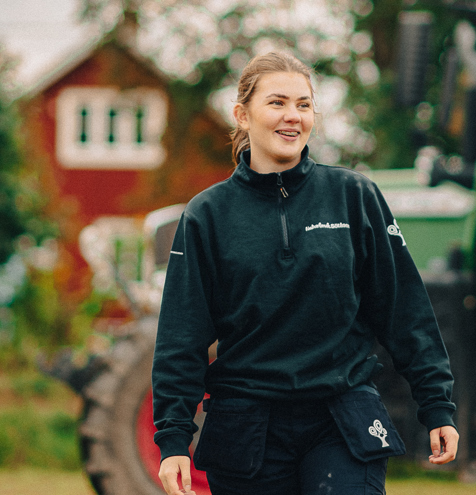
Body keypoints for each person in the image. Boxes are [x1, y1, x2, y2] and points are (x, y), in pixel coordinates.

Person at [152, 51, 459, 495]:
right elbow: (181, 335)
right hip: (246, 428)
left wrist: (437, 405)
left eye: (303, 104)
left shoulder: (354, 196)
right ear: (242, 114)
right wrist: (174, 438)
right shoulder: (207, 215)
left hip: (342, 418)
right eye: (276, 103)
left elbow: (404, 309)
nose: (292, 116)